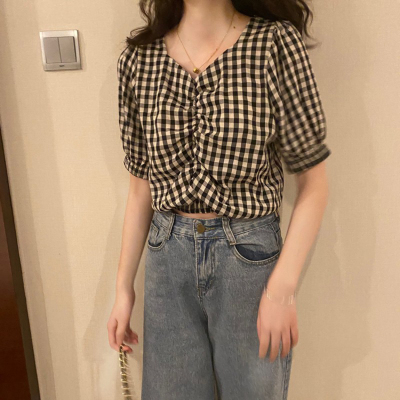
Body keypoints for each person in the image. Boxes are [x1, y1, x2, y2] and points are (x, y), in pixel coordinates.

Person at [108, 1, 331, 399]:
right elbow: (141, 188)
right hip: (166, 259)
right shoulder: (139, 61)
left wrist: (282, 288)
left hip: (248, 261)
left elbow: (314, 184)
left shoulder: (274, 45)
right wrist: (124, 289)